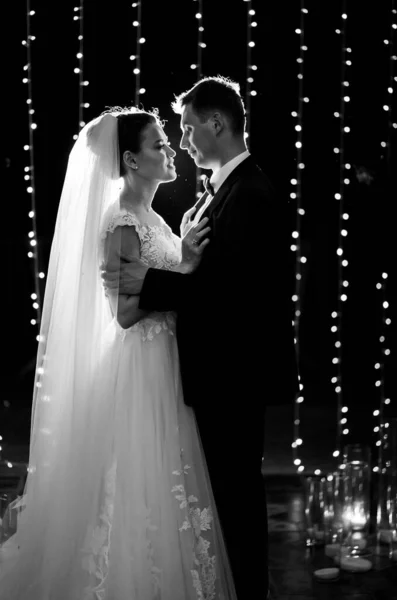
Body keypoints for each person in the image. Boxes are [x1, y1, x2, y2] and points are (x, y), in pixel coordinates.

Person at [0, 107, 238, 600]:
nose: (171, 150)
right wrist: (184, 268)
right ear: (131, 159)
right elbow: (126, 315)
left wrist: (186, 262)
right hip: (142, 370)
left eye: (169, 142)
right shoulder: (122, 221)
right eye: (159, 145)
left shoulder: (154, 216)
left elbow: (161, 285)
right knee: (139, 486)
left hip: (168, 364)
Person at [103, 76, 299, 600]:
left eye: (188, 128)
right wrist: (181, 264)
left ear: (217, 124)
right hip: (204, 375)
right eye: (173, 135)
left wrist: (152, 280)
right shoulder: (221, 192)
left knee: (235, 501)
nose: (183, 141)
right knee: (219, 501)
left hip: (232, 377)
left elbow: (229, 291)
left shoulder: (251, 194)